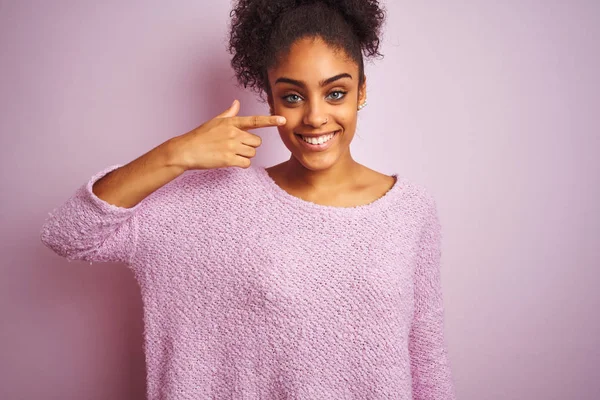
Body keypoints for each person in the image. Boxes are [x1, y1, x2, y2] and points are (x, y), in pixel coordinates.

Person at [41, 0, 456, 398]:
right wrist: (175, 153)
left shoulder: (411, 210)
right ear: (270, 96)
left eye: (335, 93)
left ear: (361, 92)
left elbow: (427, 360)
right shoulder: (221, 202)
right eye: (292, 96)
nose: (314, 116)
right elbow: (69, 234)